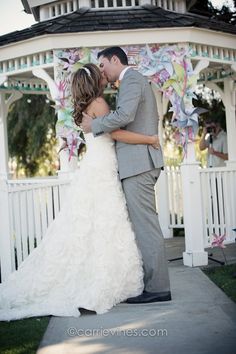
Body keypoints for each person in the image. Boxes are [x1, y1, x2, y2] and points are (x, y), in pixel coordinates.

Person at [0, 64, 162, 321]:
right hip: (104, 166)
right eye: (99, 74)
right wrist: (150, 140)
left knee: (94, 224)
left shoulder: (86, 107)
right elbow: (118, 133)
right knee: (105, 223)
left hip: (97, 166)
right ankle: (100, 279)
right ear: (94, 82)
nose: (103, 75)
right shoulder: (99, 104)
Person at [81, 47, 171, 304]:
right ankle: (153, 284)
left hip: (139, 164)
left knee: (146, 227)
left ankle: (158, 288)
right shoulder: (129, 82)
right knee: (143, 226)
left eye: (102, 65)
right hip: (137, 163)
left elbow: (124, 116)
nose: (101, 71)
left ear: (114, 60)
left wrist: (93, 125)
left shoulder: (132, 79)